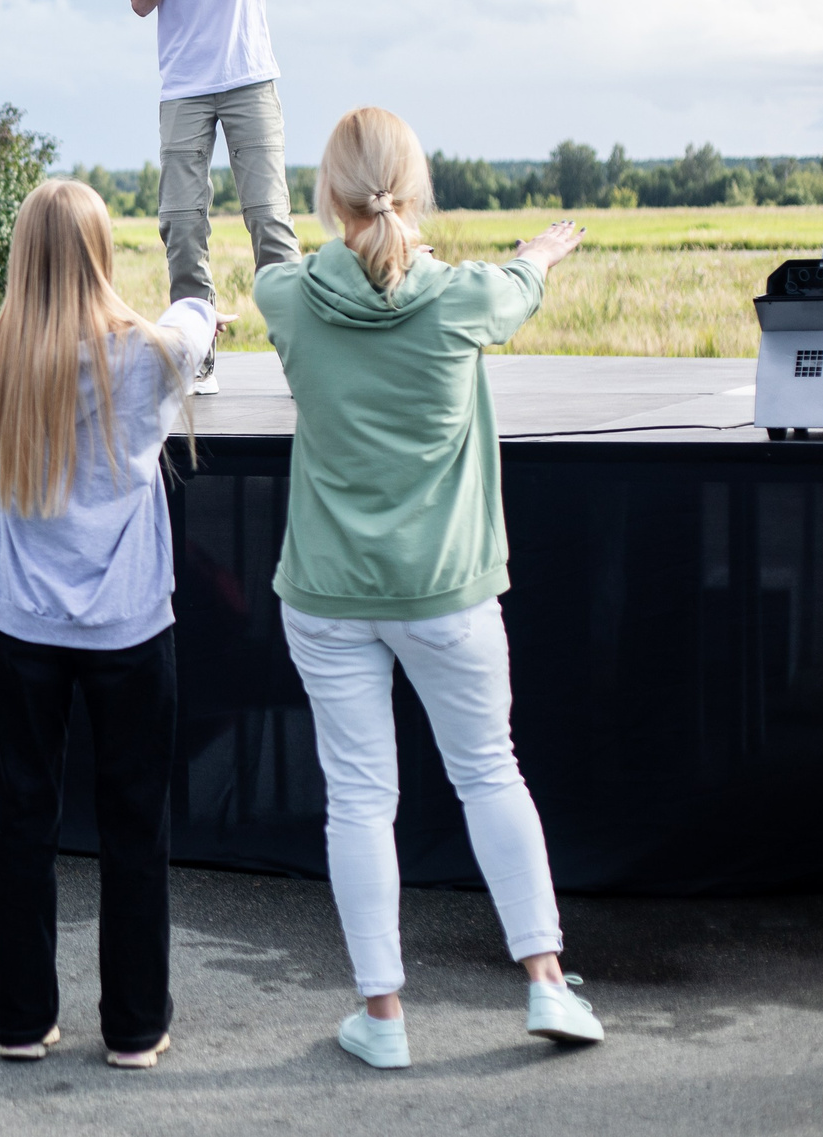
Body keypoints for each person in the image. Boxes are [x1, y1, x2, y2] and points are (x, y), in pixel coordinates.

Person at [250, 107, 602, 1069]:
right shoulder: (466, 298)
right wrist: (538, 250)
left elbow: (275, 269)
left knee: (360, 799)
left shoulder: (286, 298)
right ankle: (545, 984)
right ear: (419, 189)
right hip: (447, 592)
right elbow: (522, 279)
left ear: (330, 198)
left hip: (326, 593)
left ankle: (384, 1017)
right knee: (490, 771)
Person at [0, 180, 216, 1068]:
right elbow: (199, 316)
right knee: (134, 825)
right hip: (130, 625)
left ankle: (22, 1021)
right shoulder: (148, 358)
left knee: (23, 823)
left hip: (23, 625)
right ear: (103, 255)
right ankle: (136, 1028)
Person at [126, 0, 313, 394]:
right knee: (182, 224)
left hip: (248, 82)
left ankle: (302, 356)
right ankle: (197, 349)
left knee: (269, 220)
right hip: (184, 89)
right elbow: (141, 1)